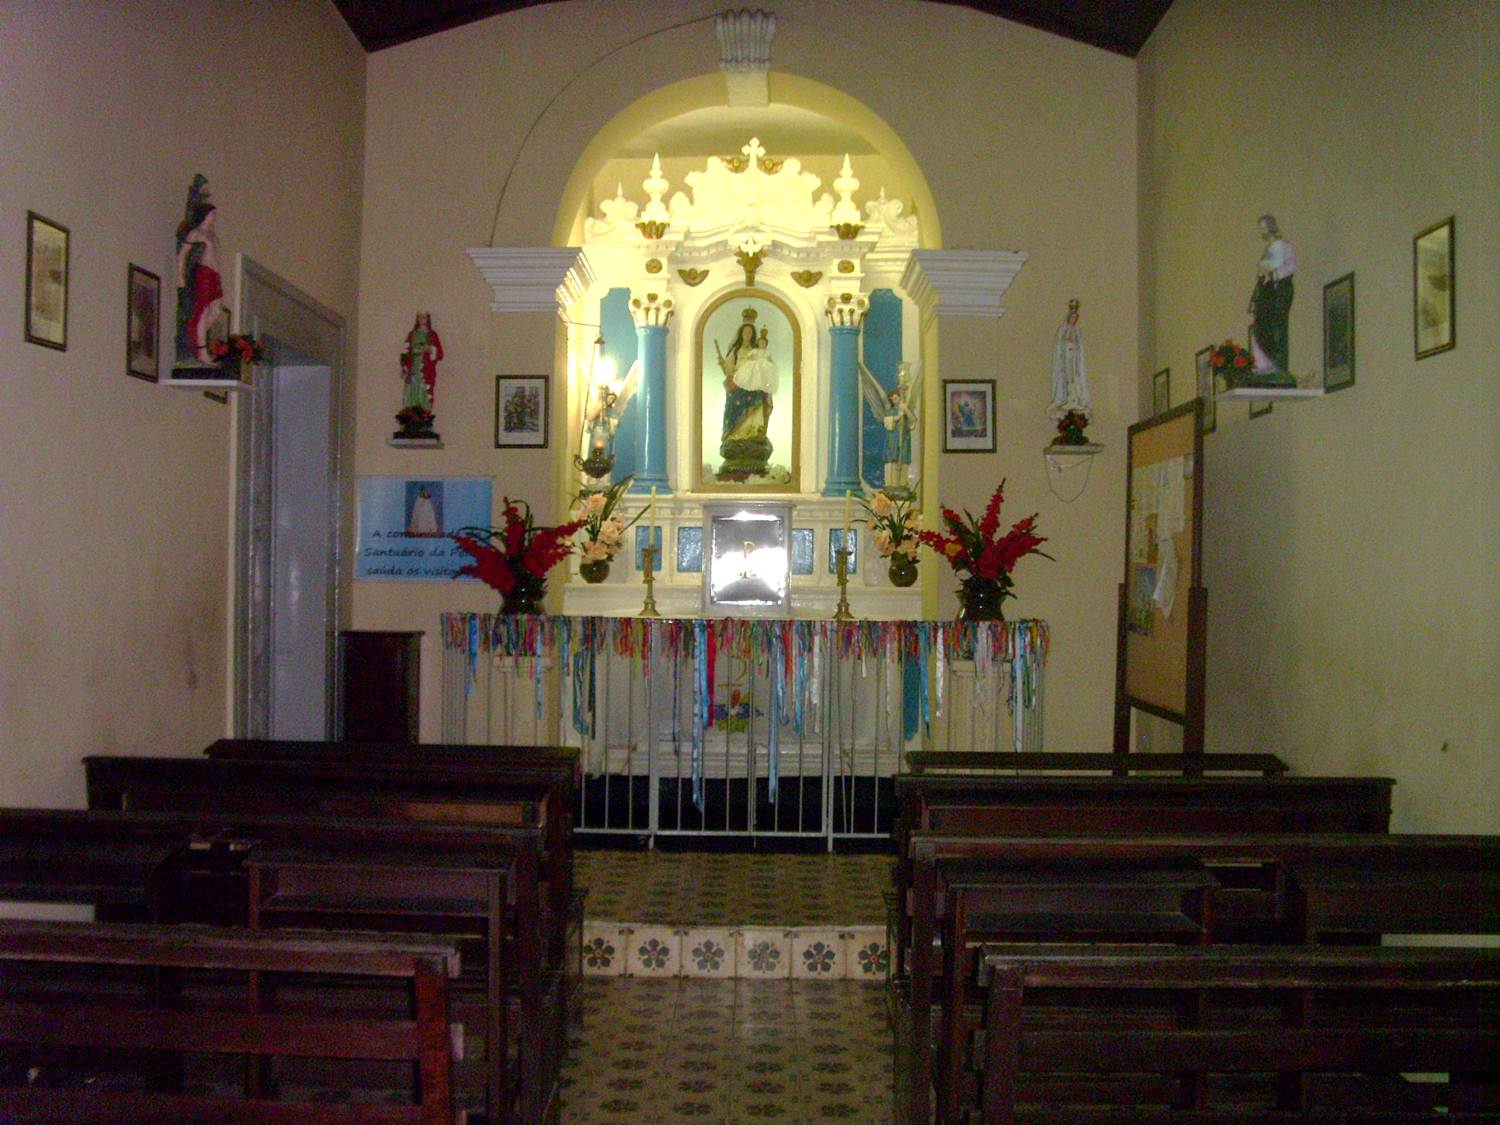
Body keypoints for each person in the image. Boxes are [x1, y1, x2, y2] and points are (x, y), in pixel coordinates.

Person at [716, 312, 778, 473]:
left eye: (751, 332)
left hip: (753, 386)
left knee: (755, 410)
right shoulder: (736, 351)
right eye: (746, 331)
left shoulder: (756, 350)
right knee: (734, 410)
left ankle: (752, 435)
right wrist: (723, 363)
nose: (748, 334)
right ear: (741, 332)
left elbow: (765, 367)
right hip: (737, 386)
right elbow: (729, 370)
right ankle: (735, 437)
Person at [175, 186, 227, 370]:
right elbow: (182, 254)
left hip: (214, 274)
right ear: (205, 215)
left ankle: (195, 340)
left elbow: (218, 256)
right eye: (212, 215)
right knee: (203, 310)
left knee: (217, 310)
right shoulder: (197, 233)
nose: (214, 218)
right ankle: (201, 350)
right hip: (203, 273)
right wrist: (180, 274)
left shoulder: (212, 235)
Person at [1249, 214, 1296, 378]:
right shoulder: (1269, 248)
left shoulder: (1284, 245)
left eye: (1263, 227)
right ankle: (1264, 364)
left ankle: (1277, 364)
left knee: (1276, 327)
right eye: (1260, 228)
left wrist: (1275, 275)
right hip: (1267, 292)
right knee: (1261, 326)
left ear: (1271, 227)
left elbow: (1291, 266)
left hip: (1279, 291)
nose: (1262, 231)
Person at [1047, 298, 1091, 422]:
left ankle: (1074, 399)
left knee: (1075, 380)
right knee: (1066, 379)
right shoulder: (1062, 332)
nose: (1074, 320)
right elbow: (1060, 347)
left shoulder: (1077, 333)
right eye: (1072, 318)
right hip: (1065, 360)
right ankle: (1065, 398)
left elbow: (1080, 349)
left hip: (1074, 361)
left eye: (1075, 319)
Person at [401, 312, 443, 412]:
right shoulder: (412, 335)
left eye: (424, 317)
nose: (421, 319)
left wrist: (430, 349)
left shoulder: (432, 335)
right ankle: (410, 416)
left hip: (425, 370)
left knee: (424, 393)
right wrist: (404, 367)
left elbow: (440, 354)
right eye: (419, 317)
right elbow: (406, 352)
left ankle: (424, 415)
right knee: (411, 392)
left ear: (428, 318)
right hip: (413, 369)